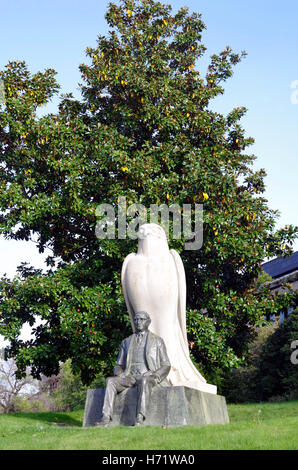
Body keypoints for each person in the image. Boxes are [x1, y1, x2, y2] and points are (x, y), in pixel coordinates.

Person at [97, 311, 171, 427]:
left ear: (148, 322)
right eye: (136, 319)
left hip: (148, 376)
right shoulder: (126, 341)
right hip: (129, 376)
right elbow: (118, 365)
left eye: (141, 319)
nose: (138, 322)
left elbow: (166, 365)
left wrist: (155, 375)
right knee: (110, 381)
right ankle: (105, 418)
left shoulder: (157, 341)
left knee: (145, 380)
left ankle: (139, 418)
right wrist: (120, 373)